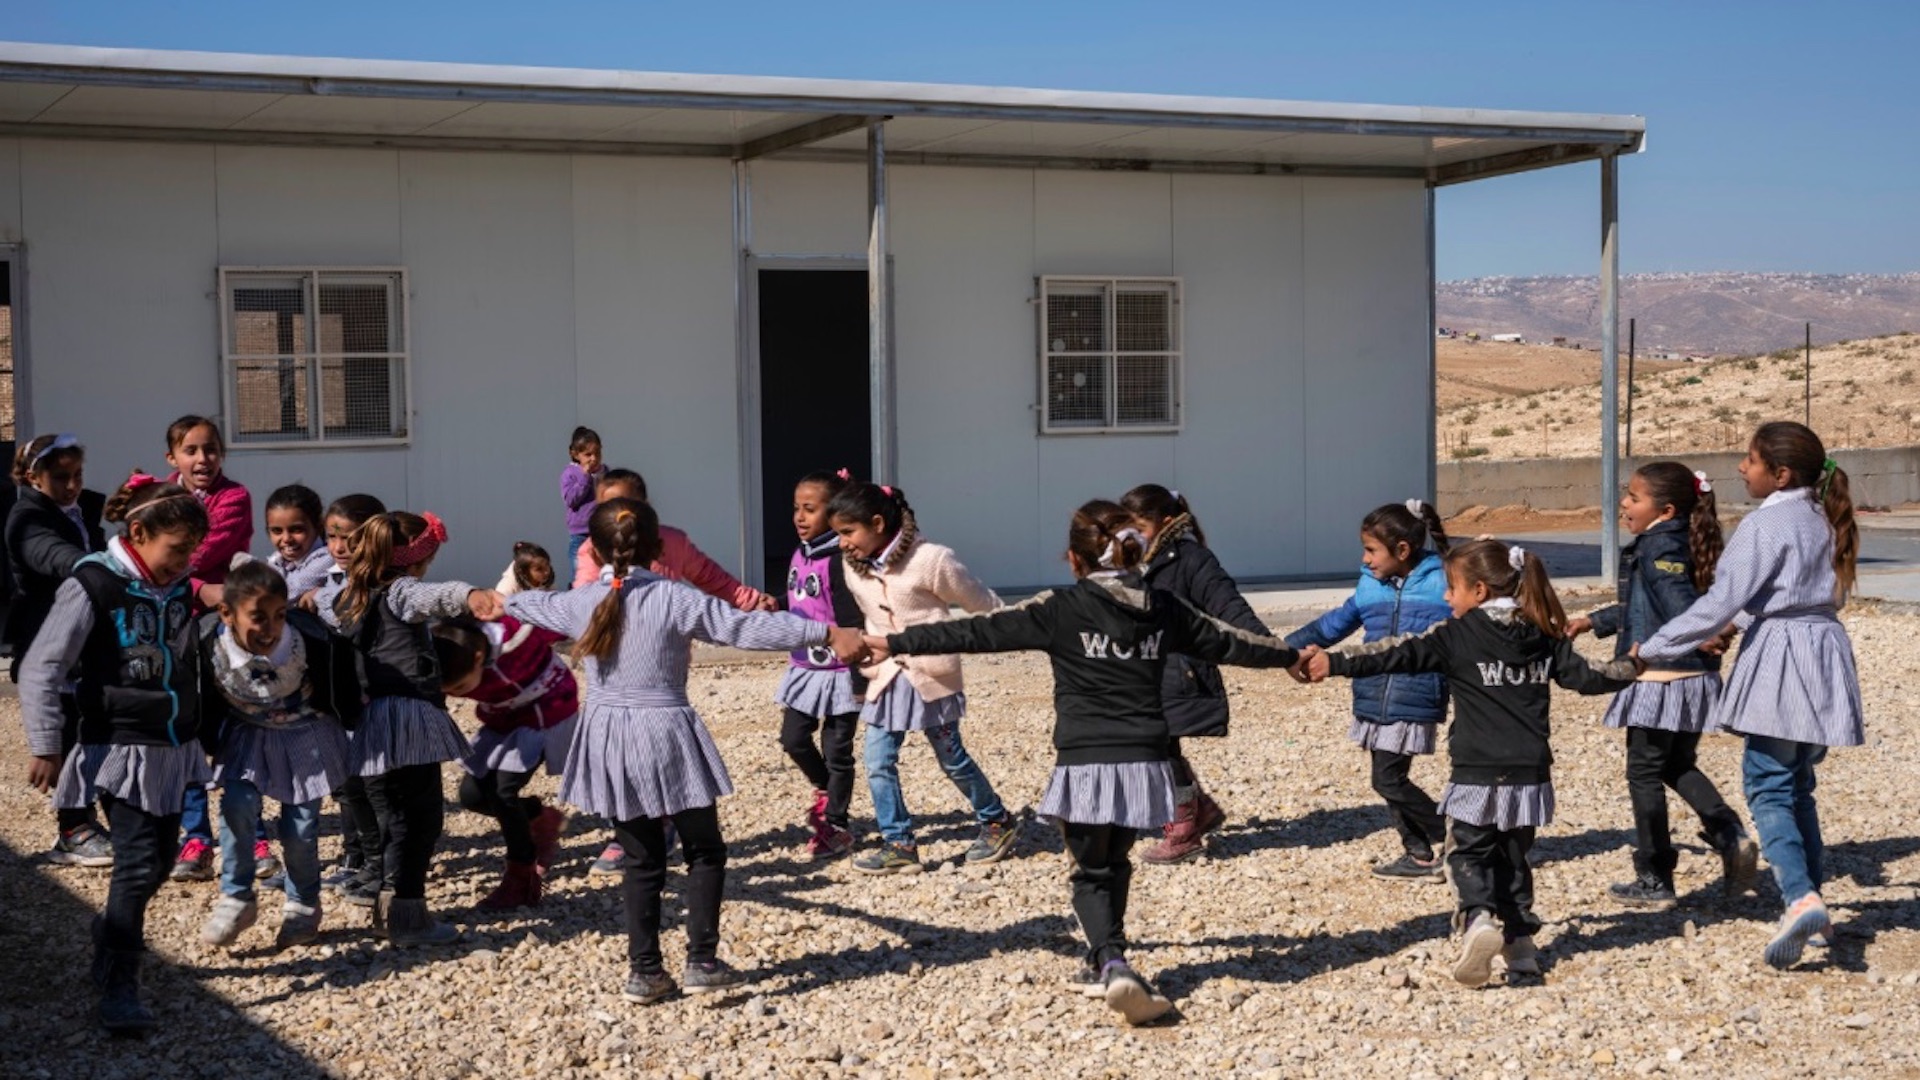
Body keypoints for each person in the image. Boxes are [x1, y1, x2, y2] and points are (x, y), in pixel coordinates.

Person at [867, 500, 1301, 1025]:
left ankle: (1111, 962)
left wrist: (889, 641)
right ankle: (1106, 956)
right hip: (1146, 763)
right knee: (1116, 862)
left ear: (1074, 560)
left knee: (1089, 869)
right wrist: (1292, 657)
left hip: (1085, 766)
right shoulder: (1163, 607)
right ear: (1132, 552)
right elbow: (1231, 643)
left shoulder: (1060, 608)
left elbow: (974, 632)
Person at [506, 498, 865, 1003]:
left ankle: (644, 971)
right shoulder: (674, 597)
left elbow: (523, 604)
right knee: (704, 848)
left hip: (610, 733)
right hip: (666, 727)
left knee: (640, 855)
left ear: (593, 548)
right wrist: (823, 630)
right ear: (657, 547)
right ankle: (702, 960)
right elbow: (745, 627)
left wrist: (486, 596)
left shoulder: (580, 601)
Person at [1306, 539, 1639, 988]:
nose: (1447, 597)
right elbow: (1589, 679)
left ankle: (1479, 920)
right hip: (1531, 774)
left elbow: (1395, 653)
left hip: (1477, 772)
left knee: (1467, 852)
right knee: (1515, 858)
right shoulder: (1544, 632)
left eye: (1452, 589)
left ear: (1479, 591)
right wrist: (1634, 665)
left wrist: (1336, 662)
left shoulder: (1455, 635)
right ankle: (1521, 947)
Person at [1636, 423, 1863, 969]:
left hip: (1784, 656)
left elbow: (1724, 599)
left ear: (1779, 473)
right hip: (1824, 650)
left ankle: (1799, 899)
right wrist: (1731, 623)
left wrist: (1654, 649)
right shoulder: (1823, 516)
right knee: (1798, 784)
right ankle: (1814, 902)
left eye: (1750, 459)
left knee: (1767, 785)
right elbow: (1763, 596)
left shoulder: (1768, 522)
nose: (1741, 468)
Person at [20, 475, 210, 1032]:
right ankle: (119, 984)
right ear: (139, 532)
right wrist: (46, 742)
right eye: (176, 551)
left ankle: (110, 934)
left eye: (190, 555)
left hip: (172, 744)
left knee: (159, 859)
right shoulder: (95, 584)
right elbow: (43, 665)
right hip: (119, 746)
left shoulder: (175, 587)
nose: (182, 564)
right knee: (136, 863)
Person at [1566, 462, 1757, 907]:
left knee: (1644, 773)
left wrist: (1707, 632)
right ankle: (1729, 834)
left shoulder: (1656, 548)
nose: (1624, 505)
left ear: (1666, 509)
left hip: (1659, 677)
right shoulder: (1678, 541)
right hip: (1693, 676)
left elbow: (1677, 603)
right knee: (1677, 765)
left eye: (1633, 498)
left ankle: (1655, 878)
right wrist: (1592, 621)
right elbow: (1641, 607)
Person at [573, 468, 774, 874]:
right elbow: (581, 598)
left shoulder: (673, 543)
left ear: (646, 508)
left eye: (626, 506)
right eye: (606, 508)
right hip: (615, 671)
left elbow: (713, 578)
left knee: (662, 747)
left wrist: (752, 602)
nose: (617, 515)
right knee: (620, 752)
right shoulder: (591, 552)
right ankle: (628, 830)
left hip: (661, 669)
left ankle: (665, 820)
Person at [315, 511, 503, 946]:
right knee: (421, 820)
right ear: (418, 559)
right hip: (407, 719)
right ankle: (408, 917)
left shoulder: (345, 595)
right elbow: (433, 597)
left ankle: (388, 912)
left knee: (391, 820)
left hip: (369, 721)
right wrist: (471, 594)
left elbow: (320, 606)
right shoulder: (401, 591)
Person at [828, 481, 1024, 875]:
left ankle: (997, 820)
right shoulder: (852, 567)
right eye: (837, 535)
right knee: (878, 760)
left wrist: (1018, 629)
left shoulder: (932, 560)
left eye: (848, 533)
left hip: (930, 677)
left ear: (879, 523)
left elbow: (980, 601)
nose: (842, 544)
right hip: (885, 678)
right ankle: (898, 842)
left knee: (952, 759)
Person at [198, 561, 362, 950]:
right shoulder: (205, 643)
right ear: (226, 614)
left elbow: (343, 677)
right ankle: (237, 896)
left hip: (306, 734)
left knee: (300, 827)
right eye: (257, 617)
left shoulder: (310, 641)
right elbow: (196, 694)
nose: (269, 627)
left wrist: (352, 719)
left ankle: (303, 905)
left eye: (279, 615)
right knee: (236, 805)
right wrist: (202, 741)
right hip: (248, 734)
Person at [1286, 500, 1453, 880]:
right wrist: (1285, 648)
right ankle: (1420, 854)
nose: (1365, 559)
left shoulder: (1443, 581)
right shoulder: (1370, 584)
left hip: (1415, 695)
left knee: (1387, 779)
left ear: (1403, 550)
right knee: (1387, 778)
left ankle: (1453, 837)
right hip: (1372, 694)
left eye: (1372, 550)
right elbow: (1335, 624)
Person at [1120, 485, 1271, 864]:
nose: (1131, 535)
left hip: (1178, 672)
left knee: (1158, 748)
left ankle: (1185, 827)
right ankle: (1196, 808)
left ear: (1166, 522)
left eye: (1139, 526)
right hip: (1143, 671)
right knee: (1156, 747)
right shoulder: (1134, 560)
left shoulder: (1191, 559)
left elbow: (1228, 605)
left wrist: (1272, 650)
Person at [164, 415, 265, 883]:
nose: (202, 459)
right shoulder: (161, 498)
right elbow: (153, 557)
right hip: (173, 624)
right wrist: (202, 586)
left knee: (234, 721)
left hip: (221, 626)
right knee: (183, 725)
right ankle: (196, 836)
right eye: (191, 450)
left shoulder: (234, 497)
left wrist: (196, 582)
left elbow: (193, 554)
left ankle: (252, 832)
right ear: (173, 458)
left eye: (210, 449)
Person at [5, 433, 111, 866]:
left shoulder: (79, 511)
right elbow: (54, 555)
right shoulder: (26, 518)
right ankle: (73, 828)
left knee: (90, 729)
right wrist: (101, 567)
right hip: (52, 637)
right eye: (61, 477)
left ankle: (89, 817)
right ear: (34, 477)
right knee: (66, 734)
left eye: (78, 476)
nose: (72, 485)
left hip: (86, 639)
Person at [434, 617, 574, 910]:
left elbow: (565, 617)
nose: (456, 694)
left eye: (460, 686)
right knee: (472, 795)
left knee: (502, 792)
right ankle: (539, 817)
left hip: (544, 713)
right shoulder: (446, 650)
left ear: (478, 657)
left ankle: (521, 879)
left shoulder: (518, 638)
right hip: (502, 719)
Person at [774, 470, 867, 860]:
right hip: (805, 670)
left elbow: (852, 624)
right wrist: (774, 603)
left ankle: (837, 824)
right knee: (793, 738)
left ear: (832, 514)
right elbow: (800, 597)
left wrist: (860, 679)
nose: (799, 517)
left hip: (840, 674)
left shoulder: (838, 563)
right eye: (796, 508)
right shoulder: (801, 553)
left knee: (838, 750)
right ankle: (827, 790)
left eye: (809, 509)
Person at [314, 494, 388, 897]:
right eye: (332, 537)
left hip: (374, 703)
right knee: (346, 785)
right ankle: (355, 858)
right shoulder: (329, 580)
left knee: (375, 789)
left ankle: (382, 867)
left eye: (350, 539)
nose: (339, 548)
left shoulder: (385, 586)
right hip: (343, 703)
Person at [263, 484, 335, 600]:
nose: (286, 539)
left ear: (318, 527)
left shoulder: (328, 558)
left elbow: (285, 593)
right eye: (277, 531)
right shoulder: (278, 560)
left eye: (296, 530)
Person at [561, 426, 604, 569]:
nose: (594, 458)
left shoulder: (605, 472)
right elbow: (571, 499)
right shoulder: (570, 473)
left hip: (600, 531)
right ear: (575, 454)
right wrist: (585, 478)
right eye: (588, 454)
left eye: (597, 453)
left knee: (601, 571)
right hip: (580, 534)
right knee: (579, 571)